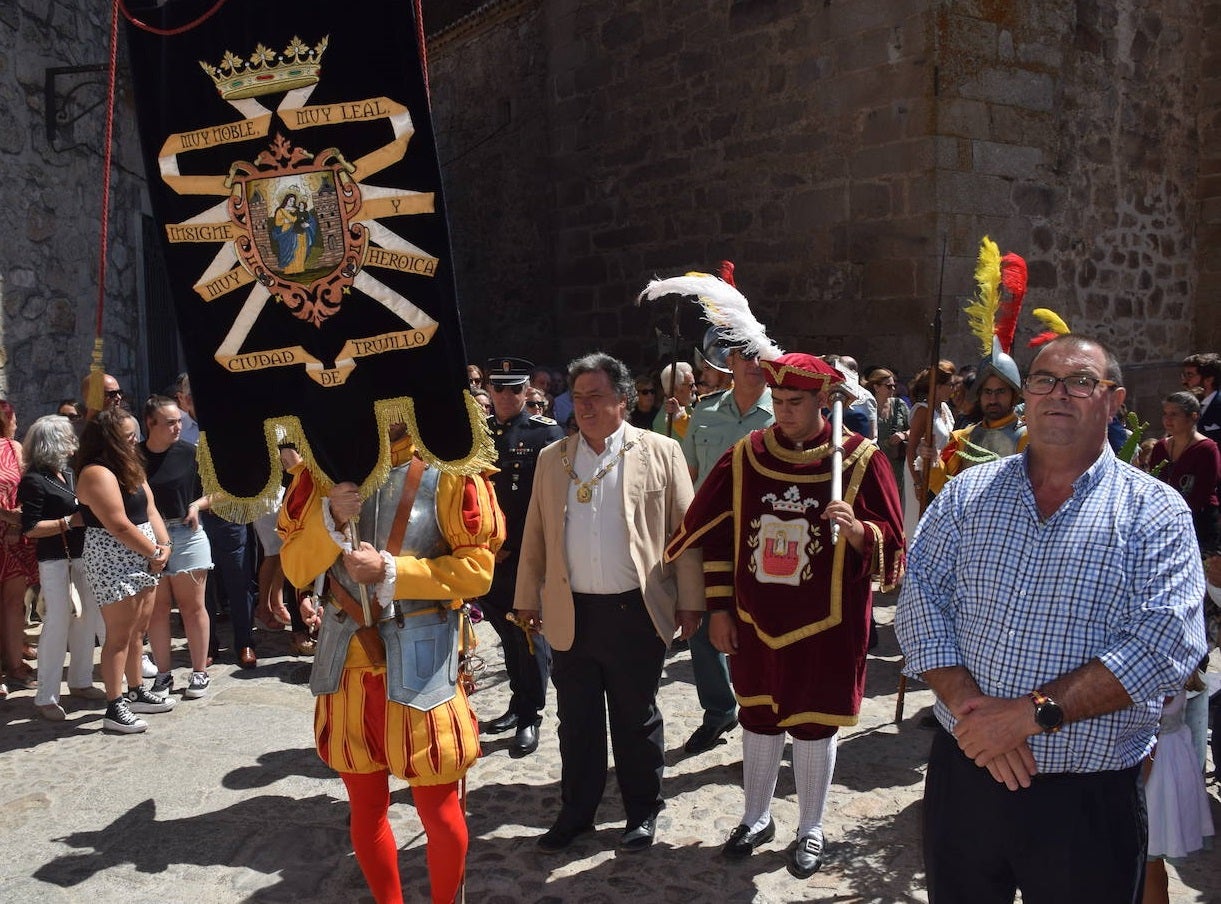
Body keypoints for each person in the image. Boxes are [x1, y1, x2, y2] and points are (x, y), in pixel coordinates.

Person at [895, 335, 1207, 904]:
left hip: (1086, 799)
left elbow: (1166, 643)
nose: (1058, 393)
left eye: (1081, 381)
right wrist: (974, 709)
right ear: (1028, 396)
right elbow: (920, 601)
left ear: (1114, 401)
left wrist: (1028, 716)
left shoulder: (1155, 511)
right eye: (1044, 380)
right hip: (966, 776)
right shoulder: (966, 495)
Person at [666, 353, 904, 878]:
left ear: (823, 401)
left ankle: (810, 827)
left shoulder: (860, 459)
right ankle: (755, 817)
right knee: (758, 717)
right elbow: (717, 537)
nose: (784, 412)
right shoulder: (747, 455)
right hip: (756, 618)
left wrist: (859, 531)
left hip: (828, 622)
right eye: (777, 401)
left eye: (795, 402)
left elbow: (895, 545)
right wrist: (720, 609)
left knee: (815, 723)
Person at [278, 422, 504, 904]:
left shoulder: (449, 467)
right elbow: (296, 568)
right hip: (346, 665)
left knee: (438, 809)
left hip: (423, 660)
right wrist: (328, 519)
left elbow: (478, 571)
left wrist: (391, 570)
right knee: (365, 807)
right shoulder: (319, 475)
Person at [514, 352, 703, 854]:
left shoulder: (661, 451)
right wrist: (527, 598)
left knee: (635, 718)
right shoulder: (552, 459)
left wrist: (691, 602)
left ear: (623, 399)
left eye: (596, 397)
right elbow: (536, 534)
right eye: (578, 398)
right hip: (571, 611)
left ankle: (642, 811)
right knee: (577, 722)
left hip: (634, 611)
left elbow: (685, 535)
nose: (585, 407)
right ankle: (577, 814)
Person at [679, 341, 774, 755]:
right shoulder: (705, 411)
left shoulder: (782, 412)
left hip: (762, 541)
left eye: (761, 355)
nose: (755, 364)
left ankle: (763, 716)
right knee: (701, 630)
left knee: (759, 630)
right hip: (709, 539)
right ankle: (718, 709)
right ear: (729, 361)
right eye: (745, 356)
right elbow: (687, 476)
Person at [480, 356, 564, 756]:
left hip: (524, 555)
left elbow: (546, 501)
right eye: (499, 388)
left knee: (528, 634)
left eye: (515, 389)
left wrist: (515, 544)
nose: (506, 396)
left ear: (526, 390)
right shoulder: (478, 434)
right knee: (506, 635)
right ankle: (518, 701)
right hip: (485, 556)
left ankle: (531, 714)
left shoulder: (545, 433)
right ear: (489, 390)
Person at [75, 408, 176, 734]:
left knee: (137, 631)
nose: (135, 440)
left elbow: (150, 509)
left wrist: (165, 545)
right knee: (118, 636)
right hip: (113, 560)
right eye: (128, 436)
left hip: (143, 557)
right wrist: (154, 552)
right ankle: (114, 704)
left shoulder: (130, 466)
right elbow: (118, 524)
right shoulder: (96, 473)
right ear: (110, 439)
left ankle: (135, 691)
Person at [19, 414, 106, 718]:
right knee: (56, 623)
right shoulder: (33, 480)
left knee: (85, 618)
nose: (74, 442)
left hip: (81, 556)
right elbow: (30, 528)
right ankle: (46, 696)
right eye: (68, 437)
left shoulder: (69, 473)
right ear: (52, 442)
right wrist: (68, 522)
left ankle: (80, 681)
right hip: (56, 560)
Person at [141, 396, 213, 699]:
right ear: (150, 424)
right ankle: (163, 675)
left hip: (187, 533)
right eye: (170, 422)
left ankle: (200, 672)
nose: (178, 427)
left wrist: (197, 505)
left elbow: (216, 491)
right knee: (157, 611)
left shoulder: (190, 453)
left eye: (179, 421)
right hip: (148, 539)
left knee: (192, 607)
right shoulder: (134, 458)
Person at [1141, 686, 1214, 904]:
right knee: (1150, 866)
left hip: (1156, 771)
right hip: (1171, 761)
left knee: (1147, 866)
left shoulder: (1156, 682)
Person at [940, 341, 1027, 479]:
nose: (993, 399)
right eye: (987, 391)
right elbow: (944, 483)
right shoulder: (962, 438)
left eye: (1000, 391)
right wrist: (932, 461)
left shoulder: (1029, 438)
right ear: (979, 395)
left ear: (1013, 395)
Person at [1148, 391, 1221, 553]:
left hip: (1199, 524)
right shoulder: (1160, 447)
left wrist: (1176, 515)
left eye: (1174, 414)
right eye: (1165, 414)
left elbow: (1203, 492)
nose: (1167, 419)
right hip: (1163, 522)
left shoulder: (1207, 449)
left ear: (1193, 416)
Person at [0, 400, 38, 693]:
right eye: (13, 417)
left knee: (14, 603)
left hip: (13, 537)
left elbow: (29, 488)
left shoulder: (16, 449)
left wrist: (15, 523)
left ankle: (14, 665)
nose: (16, 422)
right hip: (8, 527)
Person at [653, 361, 696, 438]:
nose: (695, 389)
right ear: (675, 389)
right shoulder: (664, 421)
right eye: (691, 385)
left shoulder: (689, 408)